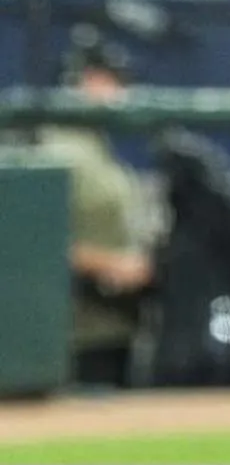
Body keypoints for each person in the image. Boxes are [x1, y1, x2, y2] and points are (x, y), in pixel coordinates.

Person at [39, 24, 158, 387]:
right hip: (71, 329)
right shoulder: (54, 148)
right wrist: (112, 263)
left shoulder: (96, 146)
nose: (119, 91)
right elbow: (28, 245)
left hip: (112, 325)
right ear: (86, 80)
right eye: (109, 80)